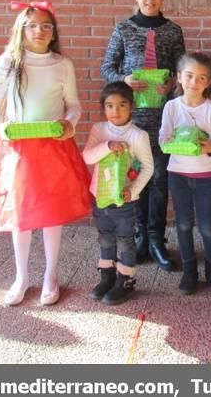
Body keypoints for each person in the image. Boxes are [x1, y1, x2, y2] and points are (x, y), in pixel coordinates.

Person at [0, 1, 91, 307]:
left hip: (53, 147)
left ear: (53, 33)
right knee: (22, 213)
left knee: (52, 214)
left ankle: (51, 275)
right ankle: (21, 276)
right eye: (32, 25)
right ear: (21, 30)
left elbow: (74, 105)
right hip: (20, 148)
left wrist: (70, 123)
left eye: (46, 26)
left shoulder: (62, 65)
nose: (39, 31)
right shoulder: (8, 63)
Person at [100, 0, 185, 273]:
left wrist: (173, 84)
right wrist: (124, 78)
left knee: (161, 179)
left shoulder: (173, 31)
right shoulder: (123, 29)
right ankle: (138, 239)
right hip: (132, 121)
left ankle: (156, 240)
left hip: (163, 120)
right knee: (136, 177)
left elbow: (182, 71)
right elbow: (106, 69)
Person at [159, 53, 211, 295]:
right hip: (177, 174)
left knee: (208, 226)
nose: (194, 82)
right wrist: (169, 142)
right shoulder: (171, 107)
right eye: (189, 76)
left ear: (208, 82)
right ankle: (190, 270)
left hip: (204, 176)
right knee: (184, 224)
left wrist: (210, 147)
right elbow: (163, 138)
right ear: (179, 77)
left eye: (201, 78)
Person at [83, 81, 153, 306]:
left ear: (131, 106)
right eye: (110, 106)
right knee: (105, 237)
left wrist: (133, 192)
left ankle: (125, 279)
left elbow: (148, 167)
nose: (116, 111)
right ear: (103, 108)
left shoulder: (138, 135)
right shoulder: (99, 130)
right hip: (100, 197)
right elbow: (87, 157)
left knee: (124, 240)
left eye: (122, 105)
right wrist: (107, 146)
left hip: (124, 201)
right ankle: (107, 276)